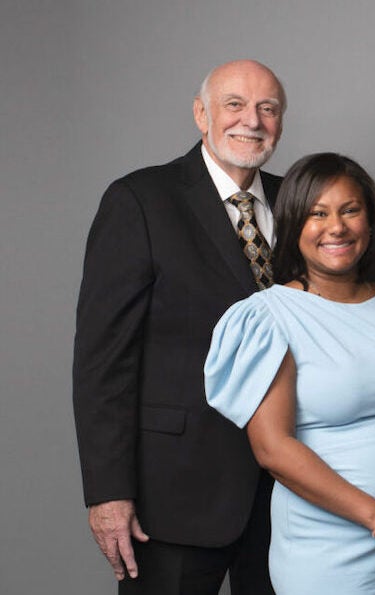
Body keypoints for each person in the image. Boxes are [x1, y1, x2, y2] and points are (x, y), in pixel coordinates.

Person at [203, 153, 375, 594]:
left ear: (370, 219)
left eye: (350, 210)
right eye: (316, 214)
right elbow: (273, 448)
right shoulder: (271, 317)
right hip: (325, 550)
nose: (336, 227)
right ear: (292, 225)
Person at [73, 59, 285, 594]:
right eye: (234, 105)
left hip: (288, 489)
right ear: (201, 114)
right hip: (172, 494)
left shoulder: (300, 202)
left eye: (268, 108)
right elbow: (103, 361)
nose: (252, 121)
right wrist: (107, 493)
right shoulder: (141, 201)